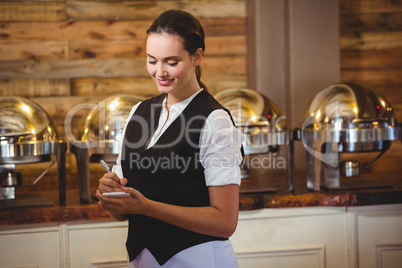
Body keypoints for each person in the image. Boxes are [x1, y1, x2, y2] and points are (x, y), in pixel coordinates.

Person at [96, 9, 243, 268]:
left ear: (197, 56)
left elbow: (225, 222)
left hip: (199, 261)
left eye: (171, 62)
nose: (159, 72)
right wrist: (113, 197)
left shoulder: (215, 121)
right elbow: (121, 213)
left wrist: (147, 207)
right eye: (152, 60)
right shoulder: (138, 112)